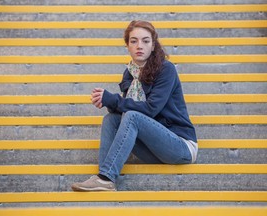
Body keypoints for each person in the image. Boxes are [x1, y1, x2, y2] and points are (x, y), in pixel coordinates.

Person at [71, 20, 198, 192]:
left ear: (153, 46)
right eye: (134, 41)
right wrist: (107, 102)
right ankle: (103, 177)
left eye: (145, 41)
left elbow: (150, 109)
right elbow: (125, 109)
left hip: (179, 146)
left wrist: (114, 100)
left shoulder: (166, 69)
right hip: (154, 149)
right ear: (127, 46)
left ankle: (107, 176)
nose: (139, 46)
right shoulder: (129, 73)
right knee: (111, 119)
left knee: (132, 116)